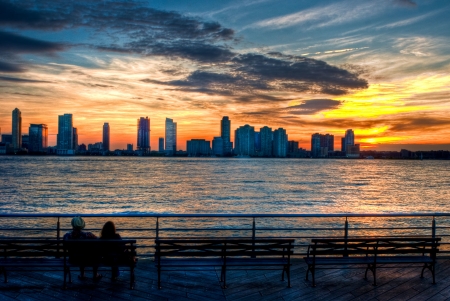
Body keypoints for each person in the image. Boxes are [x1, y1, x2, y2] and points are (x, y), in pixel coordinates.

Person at [64, 216, 102, 281]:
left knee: (79, 253)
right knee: (95, 252)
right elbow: (99, 242)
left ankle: (82, 274)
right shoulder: (88, 235)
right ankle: (95, 274)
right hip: (88, 259)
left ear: (72, 224)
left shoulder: (67, 236)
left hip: (73, 260)